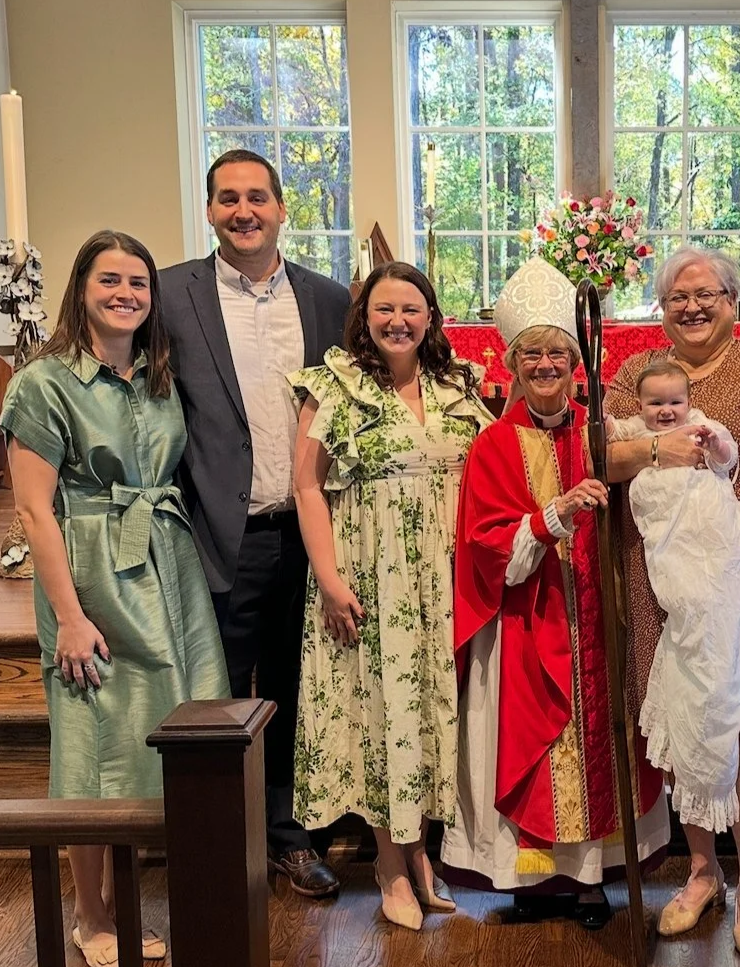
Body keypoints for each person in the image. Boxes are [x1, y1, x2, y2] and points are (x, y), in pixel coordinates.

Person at [2, 230, 230, 967]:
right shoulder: (44, 382)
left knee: (176, 723)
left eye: (138, 281)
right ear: (81, 287)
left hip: (167, 558)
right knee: (93, 743)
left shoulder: (157, 374)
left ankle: (161, 891)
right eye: (110, 280)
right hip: (91, 568)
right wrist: (69, 615)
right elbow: (36, 512)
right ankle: (92, 913)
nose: (126, 292)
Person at [443, 257, 670, 931]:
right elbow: (485, 544)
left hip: (605, 622)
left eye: (558, 353)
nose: (545, 365)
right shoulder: (492, 443)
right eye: (532, 354)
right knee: (537, 749)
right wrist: (550, 517)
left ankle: (593, 879)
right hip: (526, 625)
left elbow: (668, 456)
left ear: (578, 364)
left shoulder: (606, 434)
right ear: (511, 362)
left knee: (604, 738)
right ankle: (537, 881)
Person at [606, 245, 740, 961]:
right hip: (663, 572)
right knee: (688, 719)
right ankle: (699, 873)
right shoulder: (637, 372)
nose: (692, 306)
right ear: (662, 307)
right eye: (677, 297)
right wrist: (663, 456)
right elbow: (608, 457)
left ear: (735, 301)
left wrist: (721, 542)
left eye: (708, 294)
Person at [160, 149, 349, 897]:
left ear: (281, 209)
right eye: (228, 198)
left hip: (308, 528)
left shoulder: (330, 299)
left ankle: (287, 834)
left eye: (258, 198)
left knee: (299, 687)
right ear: (209, 210)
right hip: (218, 528)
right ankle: (217, 840)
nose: (245, 210)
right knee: (223, 689)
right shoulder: (172, 294)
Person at [288, 261, 492, 928]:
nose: (398, 320)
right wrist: (329, 578)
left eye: (411, 308)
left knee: (432, 713)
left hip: (442, 582)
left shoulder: (457, 386)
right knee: (383, 715)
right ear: (364, 318)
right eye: (384, 309)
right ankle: (389, 863)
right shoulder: (336, 385)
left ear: (431, 317)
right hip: (369, 577)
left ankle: (422, 852)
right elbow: (307, 486)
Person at [607, 358, 740, 835]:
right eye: (656, 403)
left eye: (675, 402)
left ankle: (710, 763)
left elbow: (728, 462)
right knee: (689, 619)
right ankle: (694, 765)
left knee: (711, 643)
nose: (667, 412)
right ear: (641, 404)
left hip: (714, 543)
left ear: (689, 402)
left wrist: (716, 445)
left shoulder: (703, 426)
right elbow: (605, 447)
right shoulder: (632, 429)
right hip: (670, 549)